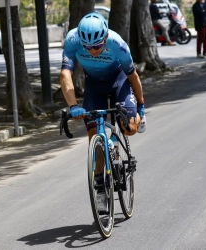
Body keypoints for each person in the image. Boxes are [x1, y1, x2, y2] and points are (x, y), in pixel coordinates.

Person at [60, 12, 146, 212]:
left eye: (97, 46)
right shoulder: (73, 39)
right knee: (93, 137)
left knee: (130, 127)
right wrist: (73, 106)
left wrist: (141, 106)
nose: (92, 51)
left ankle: (118, 142)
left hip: (119, 82)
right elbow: (65, 74)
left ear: (105, 38)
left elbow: (133, 77)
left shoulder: (118, 44)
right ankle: (100, 189)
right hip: (94, 85)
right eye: (87, 47)